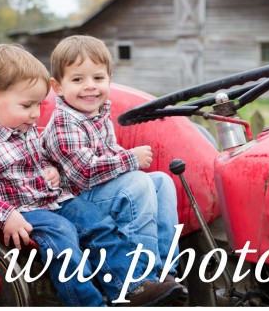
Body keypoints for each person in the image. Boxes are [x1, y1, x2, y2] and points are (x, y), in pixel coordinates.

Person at [0, 44, 184, 306]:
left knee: (98, 223)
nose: (36, 114)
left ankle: (130, 287)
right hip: (20, 211)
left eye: (38, 104)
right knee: (62, 235)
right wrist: (6, 215)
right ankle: (87, 303)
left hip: (51, 200)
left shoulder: (21, 126)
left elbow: (43, 158)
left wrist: (49, 170)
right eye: (28, 105)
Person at [42, 35, 180, 278]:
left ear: (109, 80)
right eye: (78, 79)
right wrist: (131, 160)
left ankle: (168, 269)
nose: (90, 86)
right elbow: (84, 173)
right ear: (58, 87)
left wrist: (127, 160)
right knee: (138, 184)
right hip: (75, 199)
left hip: (96, 189)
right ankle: (142, 276)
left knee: (162, 182)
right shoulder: (65, 121)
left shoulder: (98, 115)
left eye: (98, 78)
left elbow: (110, 153)